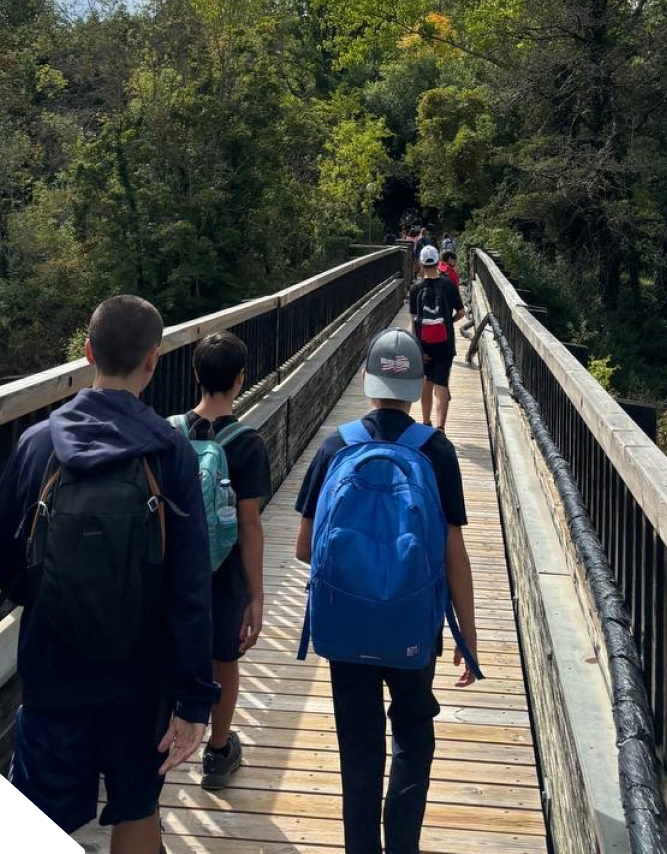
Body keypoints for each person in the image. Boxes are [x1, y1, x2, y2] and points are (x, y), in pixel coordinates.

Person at [0, 296, 220, 853]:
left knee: (38, 818)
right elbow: (190, 586)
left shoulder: (39, 443)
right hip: (142, 674)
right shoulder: (172, 452)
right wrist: (193, 700)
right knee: (136, 810)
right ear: (154, 360)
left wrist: (46, 596)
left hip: (53, 665)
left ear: (88, 352)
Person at [294, 328, 480, 854]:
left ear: (366, 380)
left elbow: (305, 548)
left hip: (346, 624)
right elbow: (454, 555)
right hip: (413, 621)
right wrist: (468, 637)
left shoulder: (336, 445)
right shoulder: (436, 450)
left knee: (358, 748)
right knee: (413, 732)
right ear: (418, 385)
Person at [171, 331, 270, 790]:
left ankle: (159, 742)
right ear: (240, 379)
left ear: (195, 375)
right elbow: (249, 524)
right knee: (223, 659)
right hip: (224, 574)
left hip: (174, 572)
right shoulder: (247, 443)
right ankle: (217, 751)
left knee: (168, 654)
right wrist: (256, 594)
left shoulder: (170, 433)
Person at [410, 245, 465, 433]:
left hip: (424, 344)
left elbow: (414, 320)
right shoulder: (448, 285)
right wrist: (448, 321)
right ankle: (441, 427)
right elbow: (462, 312)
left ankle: (426, 423)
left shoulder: (416, 288)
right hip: (445, 342)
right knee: (441, 382)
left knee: (427, 381)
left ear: (421, 264)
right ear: (438, 263)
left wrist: (417, 348)